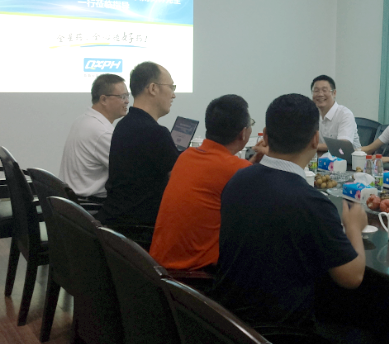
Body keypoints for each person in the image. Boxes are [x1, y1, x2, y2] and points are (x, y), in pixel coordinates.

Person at [211, 93, 366, 328]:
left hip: (228, 323)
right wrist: (354, 227)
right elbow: (352, 277)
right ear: (315, 140)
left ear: (265, 135)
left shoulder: (237, 179)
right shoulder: (311, 202)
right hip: (279, 333)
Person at [149, 95, 266, 271]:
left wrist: (252, 164)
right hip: (195, 276)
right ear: (243, 133)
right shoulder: (237, 170)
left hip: (159, 268)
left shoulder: (186, 156)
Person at [95, 61, 178, 226]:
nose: (173, 95)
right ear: (153, 88)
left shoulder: (124, 124)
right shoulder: (154, 132)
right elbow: (181, 179)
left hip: (116, 223)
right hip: (139, 229)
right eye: (171, 87)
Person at [59, 74, 128, 200]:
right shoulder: (102, 131)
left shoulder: (82, 120)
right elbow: (129, 171)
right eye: (122, 96)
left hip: (72, 202)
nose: (127, 101)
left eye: (127, 96)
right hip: (91, 205)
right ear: (104, 99)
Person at [311, 74, 361, 151]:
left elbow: (342, 145)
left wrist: (310, 147)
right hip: (323, 158)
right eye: (316, 91)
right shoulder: (313, 114)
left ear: (334, 93)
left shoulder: (345, 114)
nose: (320, 94)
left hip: (348, 158)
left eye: (324, 90)